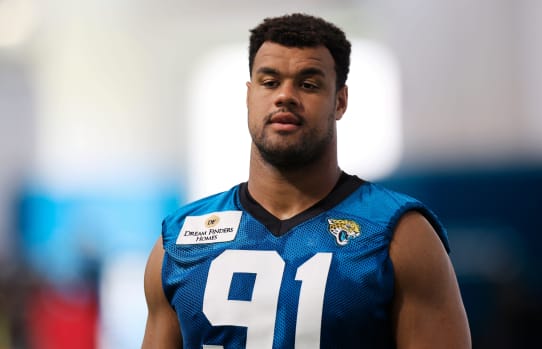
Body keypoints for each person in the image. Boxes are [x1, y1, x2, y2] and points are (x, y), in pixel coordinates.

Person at [142, 13, 471, 349]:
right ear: (248, 95)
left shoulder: (401, 236)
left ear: (340, 101)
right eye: (270, 82)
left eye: (308, 84)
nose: (285, 96)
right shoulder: (179, 241)